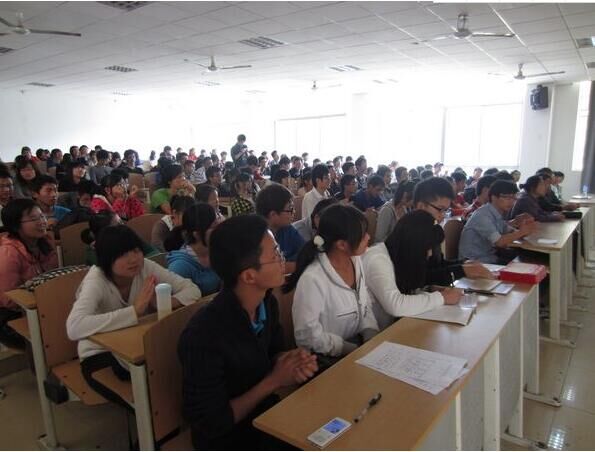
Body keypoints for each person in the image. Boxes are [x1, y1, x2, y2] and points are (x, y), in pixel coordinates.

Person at [178, 214, 317, 449]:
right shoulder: (203, 335)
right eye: (275, 255)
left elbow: (272, 353)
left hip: (266, 416)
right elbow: (213, 422)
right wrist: (274, 380)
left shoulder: (266, 303)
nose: (282, 259)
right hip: (229, 438)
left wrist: (291, 361)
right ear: (249, 276)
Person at [67, 225, 200, 408]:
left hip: (136, 346)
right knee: (159, 385)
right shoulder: (96, 280)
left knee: (176, 367)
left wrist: (165, 302)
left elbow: (192, 289)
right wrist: (134, 311)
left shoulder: (145, 267)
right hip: (100, 355)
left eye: (136, 250)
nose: (133, 259)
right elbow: (74, 326)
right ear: (106, 258)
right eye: (123, 254)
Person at [286, 204, 379, 359]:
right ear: (341, 244)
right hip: (329, 356)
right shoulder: (313, 279)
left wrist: (370, 333)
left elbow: (364, 302)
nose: (368, 237)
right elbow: (307, 336)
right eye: (362, 235)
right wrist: (348, 349)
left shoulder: (356, 260)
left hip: (358, 346)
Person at [363, 210, 463, 330]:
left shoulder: (399, 256)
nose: (430, 253)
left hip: (395, 328)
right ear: (414, 244)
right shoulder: (377, 259)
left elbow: (405, 292)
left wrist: (429, 290)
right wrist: (442, 297)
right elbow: (395, 305)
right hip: (377, 335)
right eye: (427, 247)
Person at [413, 177, 493, 285]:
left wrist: (464, 263)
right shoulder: (410, 234)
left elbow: (438, 265)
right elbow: (420, 278)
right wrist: (461, 270)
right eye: (440, 209)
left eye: (445, 210)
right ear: (421, 206)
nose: (442, 216)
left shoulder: (432, 229)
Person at [0, 199, 59, 319]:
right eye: (34, 219)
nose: (42, 222)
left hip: (45, 305)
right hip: (17, 313)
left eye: (42, 216)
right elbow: (8, 299)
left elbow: (54, 276)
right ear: (15, 225)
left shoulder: (45, 242)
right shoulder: (8, 253)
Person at [459, 180, 537, 264]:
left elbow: (510, 231)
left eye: (514, 198)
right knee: (525, 263)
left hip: (490, 256)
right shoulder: (483, 215)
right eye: (507, 197)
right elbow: (499, 242)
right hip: (475, 262)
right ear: (493, 197)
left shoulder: (496, 213)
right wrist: (521, 232)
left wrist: (525, 227)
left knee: (530, 257)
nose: (511, 202)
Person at [166, 203, 220, 295]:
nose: (220, 230)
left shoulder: (218, 252)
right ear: (197, 234)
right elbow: (177, 302)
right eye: (214, 227)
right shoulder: (179, 267)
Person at [256, 184, 305, 273]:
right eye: (290, 209)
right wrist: (296, 265)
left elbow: (306, 253)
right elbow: (266, 271)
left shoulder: (288, 229)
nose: (294, 212)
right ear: (273, 215)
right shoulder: (257, 238)